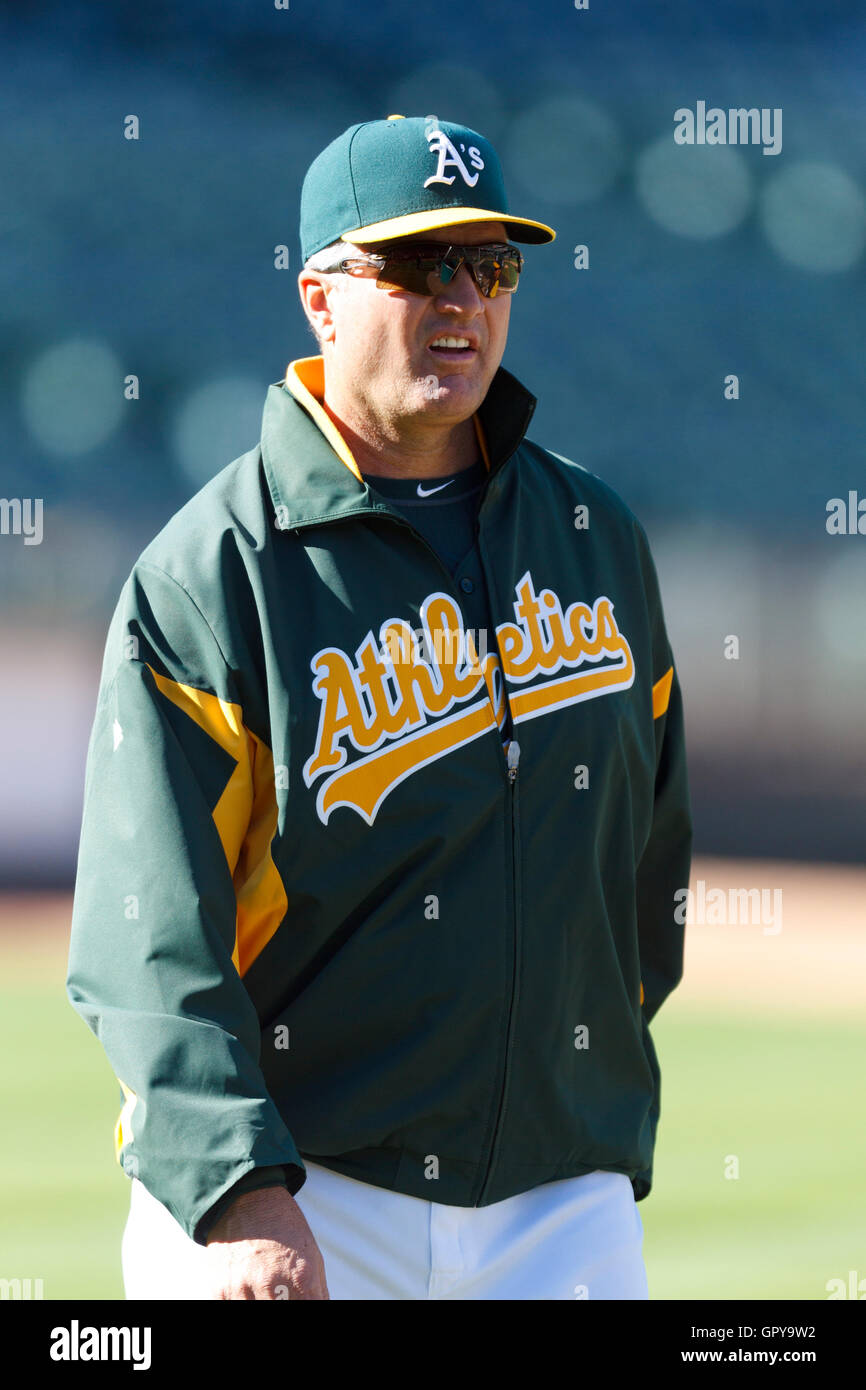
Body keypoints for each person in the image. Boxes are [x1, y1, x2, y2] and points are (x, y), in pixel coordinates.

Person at [67, 114, 691, 1300]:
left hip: (558, 1195)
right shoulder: (215, 574)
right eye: (416, 264)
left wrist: (575, 1072)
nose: (460, 298)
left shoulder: (591, 535)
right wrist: (235, 1187)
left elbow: (646, 855)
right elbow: (144, 937)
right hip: (300, 1189)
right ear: (320, 298)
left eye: (490, 264)